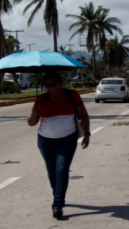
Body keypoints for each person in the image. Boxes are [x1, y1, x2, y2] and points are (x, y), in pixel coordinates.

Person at [27, 72, 91, 219]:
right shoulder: (41, 99)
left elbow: (84, 115)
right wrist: (33, 114)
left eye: (53, 83)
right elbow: (31, 123)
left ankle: (57, 204)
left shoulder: (72, 95)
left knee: (61, 170)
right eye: (47, 85)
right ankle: (58, 193)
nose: (50, 87)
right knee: (52, 173)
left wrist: (87, 134)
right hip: (45, 141)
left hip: (67, 140)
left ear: (61, 82)